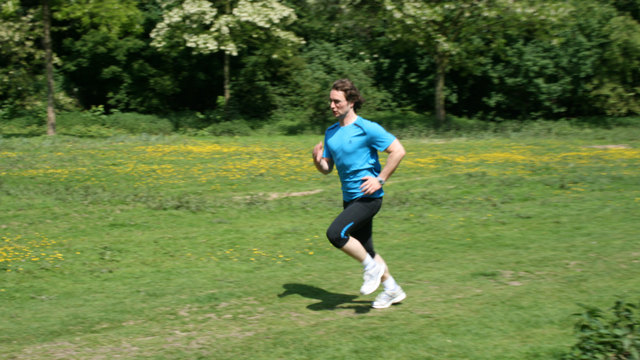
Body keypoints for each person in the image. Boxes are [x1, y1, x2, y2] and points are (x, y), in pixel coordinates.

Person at [312, 79, 407, 309]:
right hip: (349, 198)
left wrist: (380, 179)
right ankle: (392, 289)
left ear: (351, 102)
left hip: (369, 197)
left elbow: (398, 150)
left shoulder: (368, 128)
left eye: (337, 101)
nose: (332, 105)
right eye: (330, 101)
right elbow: (327, 169)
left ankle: (371, 268)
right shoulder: (331, 132)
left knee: (336, 234)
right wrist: (317, 161)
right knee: (367, 249)